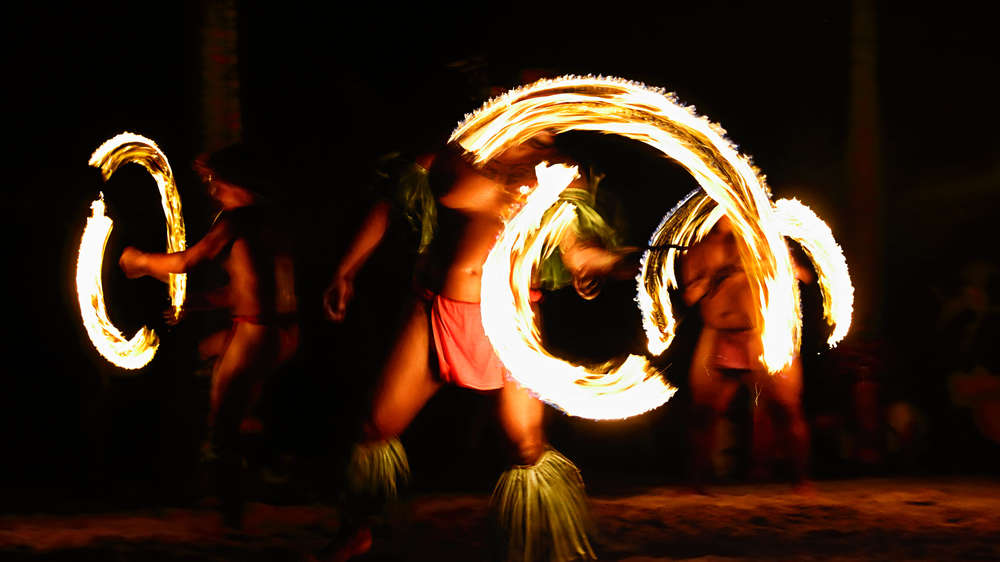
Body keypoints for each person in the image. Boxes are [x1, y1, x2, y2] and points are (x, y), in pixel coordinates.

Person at [319, 133, 636, 561]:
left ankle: (545, 548)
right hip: (434, 313)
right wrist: (346, 269)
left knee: (525, 445)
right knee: (375, 427)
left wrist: (611, 262)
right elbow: (389, 204)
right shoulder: (453, 152)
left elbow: (577, 251)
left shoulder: (561, 171)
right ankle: (356, 530)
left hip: (511, 322)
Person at [119, 144, 299, 527]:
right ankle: (258, 458)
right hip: (281, 330)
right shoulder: (272, 218)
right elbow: (246, 290)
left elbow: (186, 262)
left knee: (224, 424)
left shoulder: (237, 221)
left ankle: (233, 510)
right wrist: (194, 304)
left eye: (210, 178)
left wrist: (139, 262)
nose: (209, 187)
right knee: (205, 356)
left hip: (256, 334)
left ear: (229, 178)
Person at [679, 216, 812, 492]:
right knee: (703, 413)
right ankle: (695, 482)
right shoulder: (699, 249)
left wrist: (773, 267)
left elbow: (802, 275)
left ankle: (801, 481)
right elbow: (689, 296)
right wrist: (716, 277)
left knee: (786, 409)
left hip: (762, 334)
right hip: (718, 333)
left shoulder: (764, 242)